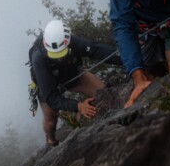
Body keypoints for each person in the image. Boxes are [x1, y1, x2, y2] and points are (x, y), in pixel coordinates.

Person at [30, 18, 123, 147]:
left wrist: (127, 58)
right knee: (51, 120)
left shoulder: (75, 43)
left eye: (62, 53)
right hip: (47, 82)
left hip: (71, 74)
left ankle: (79, 124)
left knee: (103, 91)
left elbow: (97, 50)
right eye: (55, 55)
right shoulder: (38, 58)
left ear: (68, 41)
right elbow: (51, 97)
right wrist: (79, 105)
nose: (60, 58)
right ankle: (51, 140)